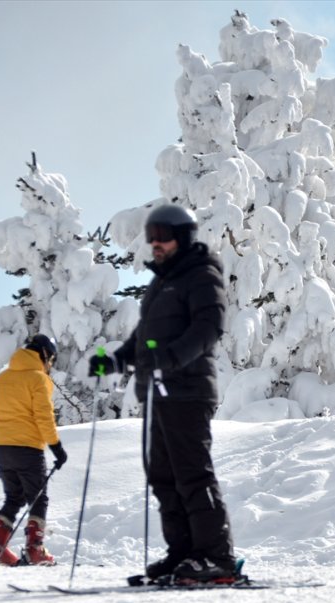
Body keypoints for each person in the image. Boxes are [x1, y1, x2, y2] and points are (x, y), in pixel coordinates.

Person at [88, 203, 237, 583]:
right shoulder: (161, 283)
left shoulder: (201, 274)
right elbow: (143, 340)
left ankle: (215, 557)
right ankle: (183, 553)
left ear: (182, 237)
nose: (155, 242)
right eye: (151, 235)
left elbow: (209, 328)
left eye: (163, 235)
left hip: (188, 390)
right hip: (157, 392)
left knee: (192, 474)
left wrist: (169, 359)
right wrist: (116, 361)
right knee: (163, 477)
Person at [0, 334, 68, 566]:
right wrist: (56, 447)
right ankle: (35, 550)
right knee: (38, 499)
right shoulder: (38, 379)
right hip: (28, 449)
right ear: (44, 354)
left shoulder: (1, 379)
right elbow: (43, 417)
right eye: (51, 359)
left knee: (13, 497)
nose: (50, 365)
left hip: (2, 447)